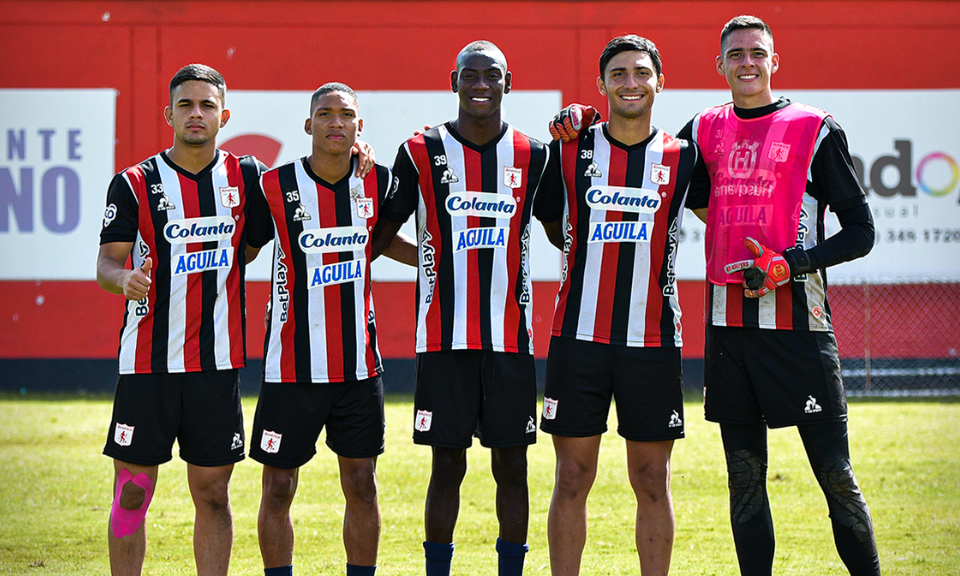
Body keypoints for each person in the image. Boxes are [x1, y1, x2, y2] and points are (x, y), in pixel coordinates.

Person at [677, 16, 881, 576]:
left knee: (836, 476)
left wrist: (790, 263)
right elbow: (657, 172)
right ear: (719, 64)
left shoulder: (815, 128)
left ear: (774, 61)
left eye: (757, 53)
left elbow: (861, 232)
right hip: (728, 332)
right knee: (743, 477)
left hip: (801, 330)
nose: (747, 62)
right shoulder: (700, 129)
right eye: (736, 54)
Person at [370, 40, 553, 576]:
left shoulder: (533, 154)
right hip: (443, 340)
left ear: (508, 83)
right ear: (453, 82)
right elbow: (380, 234)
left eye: (490, 76)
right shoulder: (420, 150)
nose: (479, 86)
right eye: (469, 76)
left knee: (511, 467)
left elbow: (562, 229)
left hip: (509, 340)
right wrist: (431, 257)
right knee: (446, 465)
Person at [538, 36, 708, 576]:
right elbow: (546, 221)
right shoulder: (568, 149)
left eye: (641, 72)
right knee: (571, 477)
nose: (630, 82)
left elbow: (723, 220)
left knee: (652, 480)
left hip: (653, 340)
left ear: (661, 81)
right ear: (601, 85)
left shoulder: (685, 158)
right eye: (618, 73)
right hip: (577, 338)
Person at [96, 64, 266, 576]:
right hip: (147, 365)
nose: (197, 114)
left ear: (224, 115)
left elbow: (255, 244)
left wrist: (358, 154)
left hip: (215, 366)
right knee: (132, 493)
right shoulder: (133, 184)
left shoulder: (248, 177)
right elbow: (106, 263)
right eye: (187, 105)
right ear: (168, 113)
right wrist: (122, 279)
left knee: (213, 495)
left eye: (207, 105)